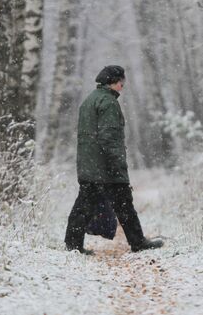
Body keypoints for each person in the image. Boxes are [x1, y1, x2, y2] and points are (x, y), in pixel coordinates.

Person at [64, 65, 164, 255]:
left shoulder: (89, 101)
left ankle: (73, 244)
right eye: (121, 82)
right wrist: (118, 166)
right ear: (112, 82)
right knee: (124, 204)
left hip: (89, 165)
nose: (122, 86)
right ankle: (138, 242)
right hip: (106, 167)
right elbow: (110, 139)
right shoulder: (109, 103)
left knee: (83, 206)